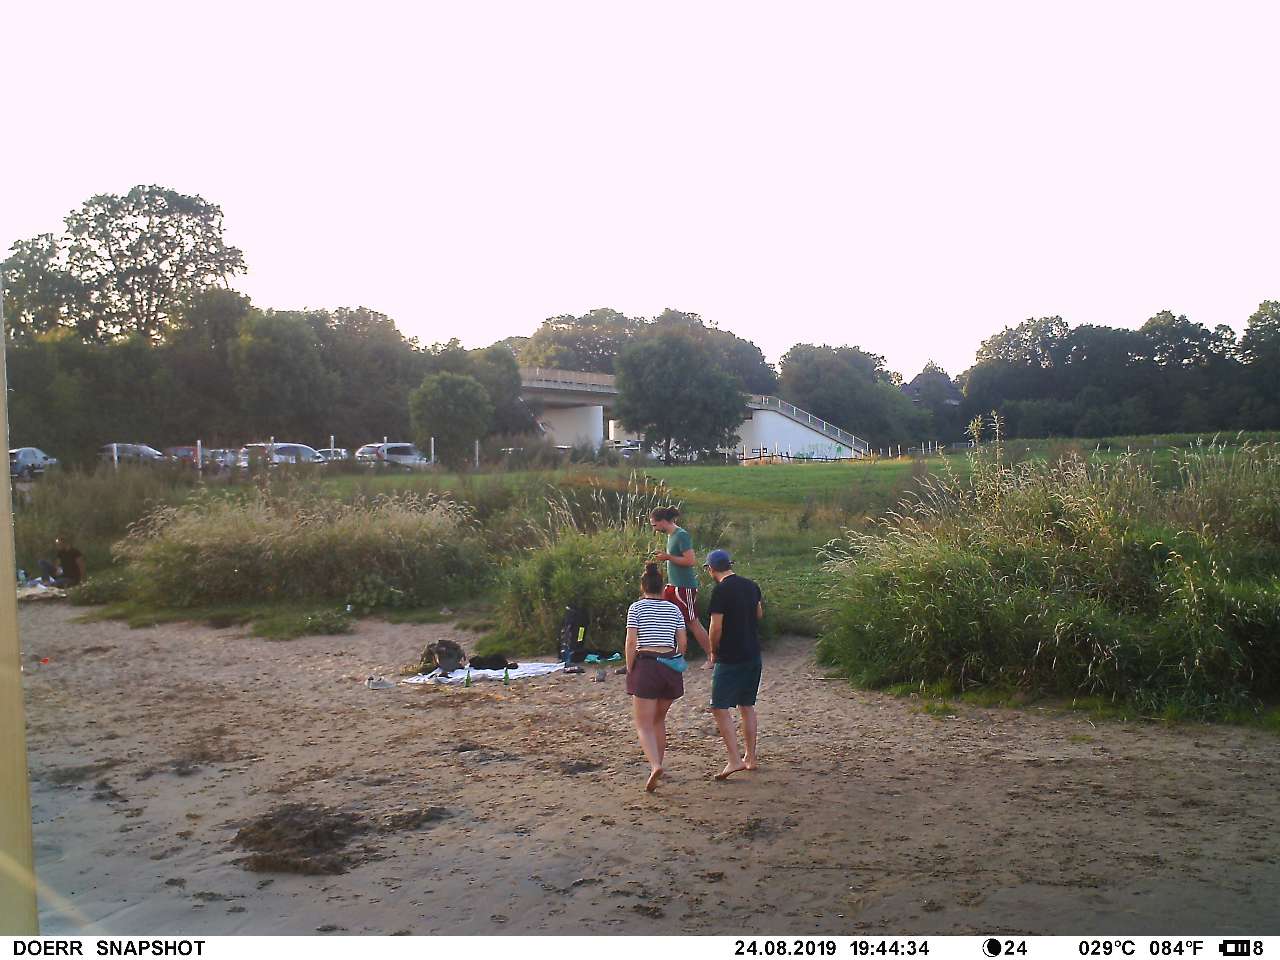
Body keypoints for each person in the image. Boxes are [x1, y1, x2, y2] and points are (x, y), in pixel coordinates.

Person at [625, 562, 688, 792]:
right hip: (670, 666)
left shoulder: (636, 608)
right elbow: (683, 642)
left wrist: (630, 667)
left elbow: (631, 641)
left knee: (643, 725)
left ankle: (654, 765)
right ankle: (659, 763)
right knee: (658, 720)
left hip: (647, 664)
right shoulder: (674, 609)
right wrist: (677, 659)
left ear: (643, 587)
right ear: (662, 588)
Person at [704, 549, 764, 781]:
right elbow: (759, 614)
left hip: (731, 655)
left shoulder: (720, 591)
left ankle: (734, 758)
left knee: (719, 706)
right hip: (753, 653)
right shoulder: (751, 585)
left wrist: (713, 651)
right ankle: (751, 757)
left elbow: (716, 626)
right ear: (730, 564)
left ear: (711, 569)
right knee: (746, 705)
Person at [649, 506, 712, 665]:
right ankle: (670, 654)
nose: (654, 529)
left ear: (663, 521)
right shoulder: (671, 536)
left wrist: (668, 557)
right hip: (673, 586)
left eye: (655, 525)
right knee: (665, 618)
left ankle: (712, 657)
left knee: (692, 622)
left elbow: (690, 561)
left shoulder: (681, 535)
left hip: (685, 586)